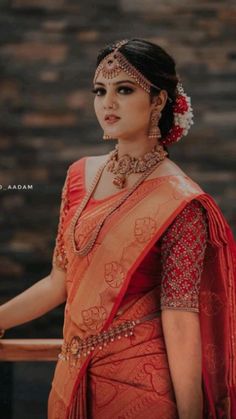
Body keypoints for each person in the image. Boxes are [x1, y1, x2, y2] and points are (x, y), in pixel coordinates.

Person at [0, 38, 235, 419]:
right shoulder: (79, 176)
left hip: (141, 388)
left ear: (158, 101)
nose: (107, 103)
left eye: (124, 90)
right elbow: (59, 282)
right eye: (100, 90)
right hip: (70, 378)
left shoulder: (181, 203)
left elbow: (179, 316)